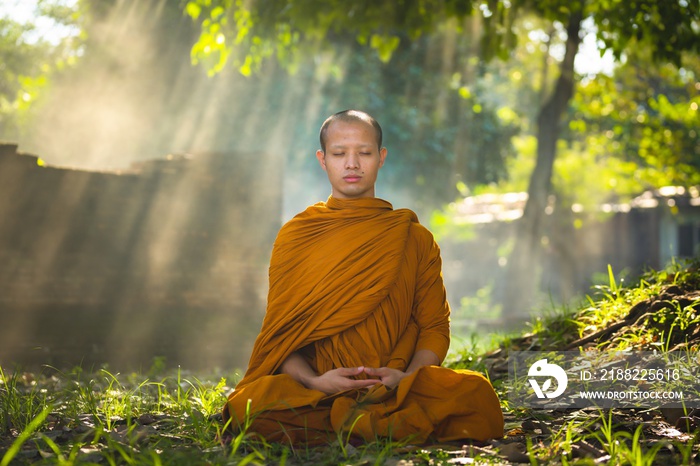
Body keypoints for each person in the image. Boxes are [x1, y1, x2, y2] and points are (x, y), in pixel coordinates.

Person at [222, 110, 504, 444]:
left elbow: (433, 327)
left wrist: (405, 377)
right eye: (340, 153)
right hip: (318, 389)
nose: (352, 164)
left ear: (381, 157)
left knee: (477, 395)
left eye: (364, 153)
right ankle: (366, 425)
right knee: (249, 406)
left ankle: (358, 423)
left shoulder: (412, 237)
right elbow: (282, 335)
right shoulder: (297, 236)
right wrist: (316, 382)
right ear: (322, 159)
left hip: (395, 386)